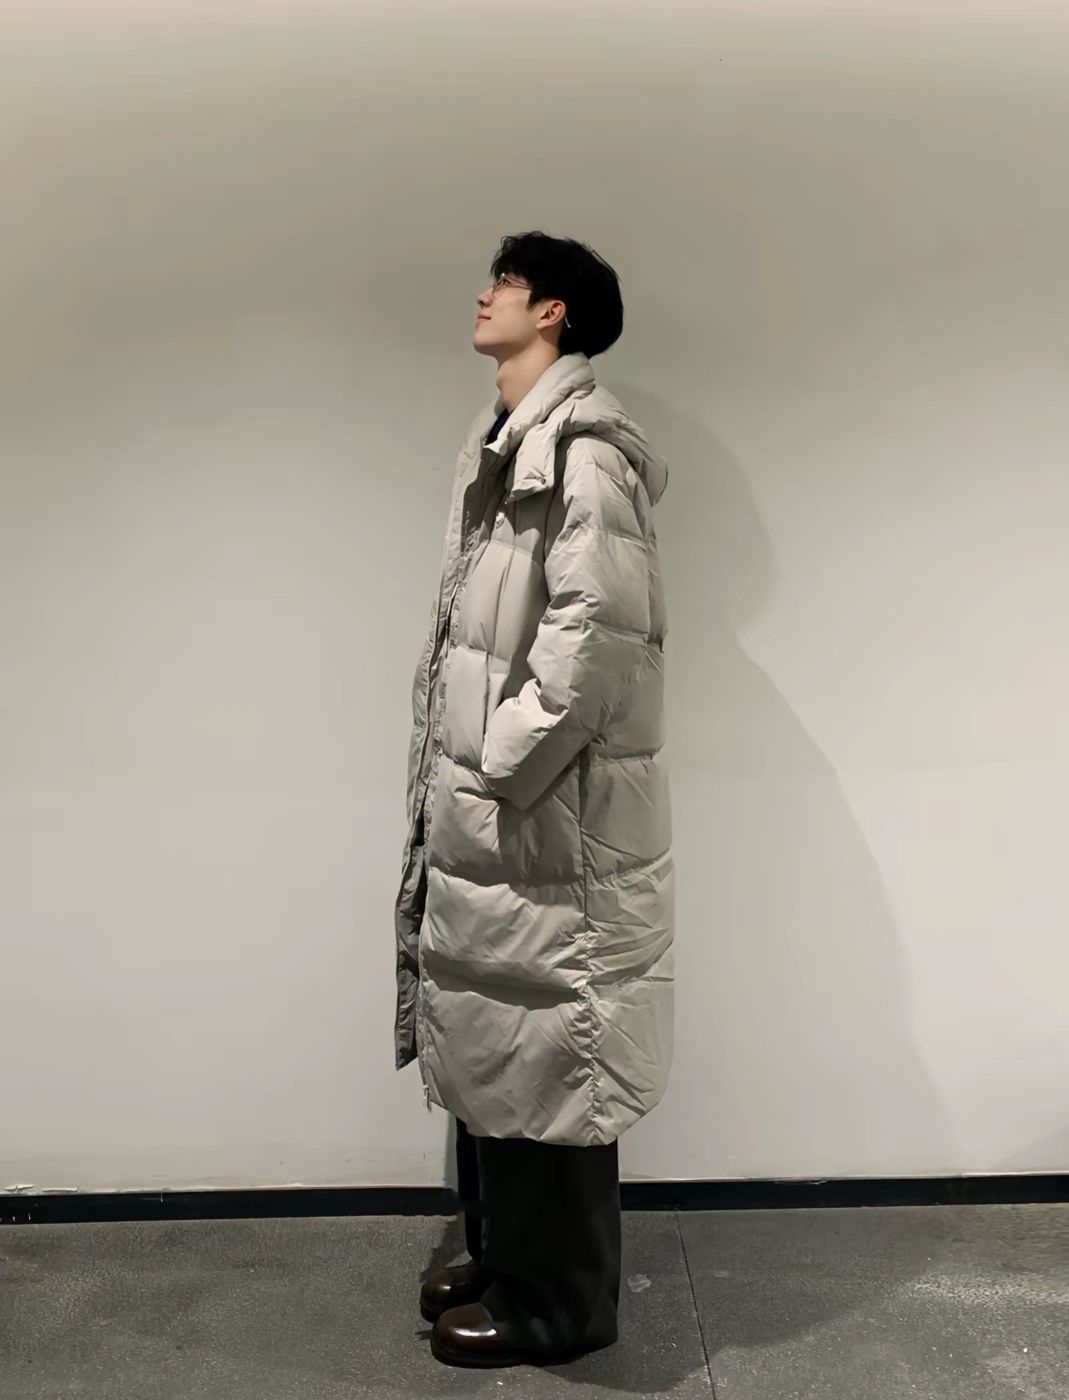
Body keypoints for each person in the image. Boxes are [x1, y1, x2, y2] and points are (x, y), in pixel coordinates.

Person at [392, 230, 674, 1368]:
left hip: (547, 818)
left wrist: (495, 760)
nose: (483, 295)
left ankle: (562, 1304)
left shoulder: (584, 455)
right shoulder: (507, 440)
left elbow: (594, 645)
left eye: (504, 283)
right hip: (499, 815)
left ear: (552, 311)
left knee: (553, 1046)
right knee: (494, 1032)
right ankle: (506, 1255)